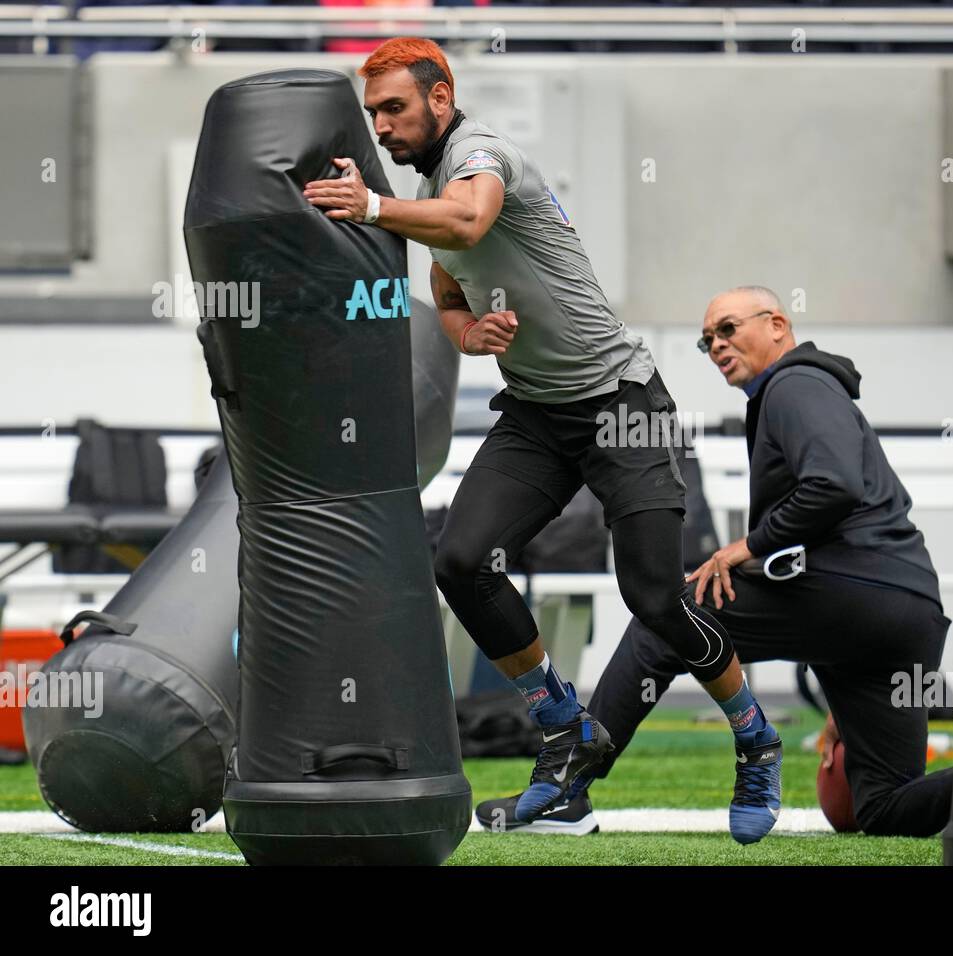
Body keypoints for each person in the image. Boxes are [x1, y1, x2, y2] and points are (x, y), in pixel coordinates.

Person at [301, 38, 783, 844]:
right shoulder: (431, 186)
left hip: (623, 403)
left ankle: (755, 738)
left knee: (656, 599)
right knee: (459, 560)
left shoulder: (481, 155)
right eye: (372, 112)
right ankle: (567, 729)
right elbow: (449, 291)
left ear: (441, 99)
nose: (380, 126)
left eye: (395, 107)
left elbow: (468, 219)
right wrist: (471, 332)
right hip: (537, 413)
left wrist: (373, 209)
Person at [478, 286, 953, 837]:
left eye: (728, 329)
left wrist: (745, 549)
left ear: (777, 323)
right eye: (707, 341)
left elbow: (834, 486)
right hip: (905, 612)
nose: (717, 346)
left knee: (664, 620)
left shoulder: (794, 383)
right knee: (885, 808)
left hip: (854, 589)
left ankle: (566, 790)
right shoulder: (803, 389)